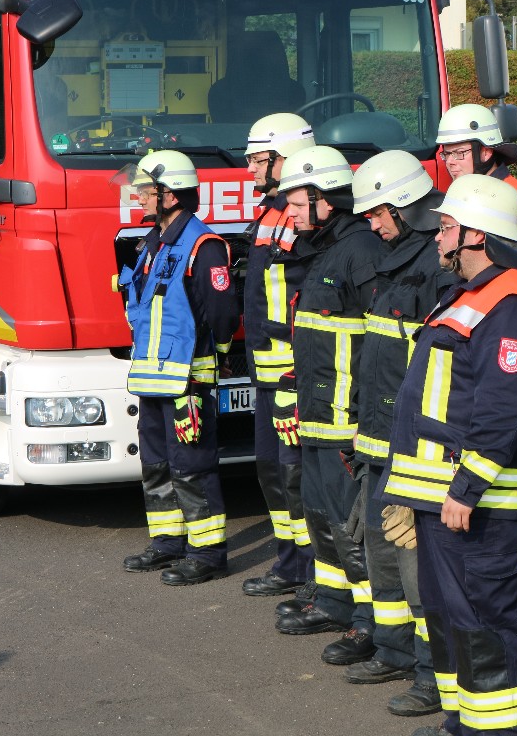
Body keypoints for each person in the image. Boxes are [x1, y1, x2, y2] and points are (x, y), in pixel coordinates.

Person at [380, 174, 517, 736]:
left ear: (476, 235)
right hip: (443, 494)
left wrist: (466, 487)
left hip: (478, 501)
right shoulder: (470, 293)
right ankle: (464, 725)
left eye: (446, 227)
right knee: (450, 617)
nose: (438, 238)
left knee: (483, 620)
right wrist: (411, 491)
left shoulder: (513, 301)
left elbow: (503, 405)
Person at [346, 150, 453, 716]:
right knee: (381, 550)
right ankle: (394, 650)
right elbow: (378, 356)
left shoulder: (437, 266)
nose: (372, 223)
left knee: (417, 567)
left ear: (407, 206)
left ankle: (435, 674)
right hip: (378, 436)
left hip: (413, 443)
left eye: (378, 212)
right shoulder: (395, 259)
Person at [274, 145, 388, 669]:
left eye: (298, 204)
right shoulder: (324, 250)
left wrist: (366, 415)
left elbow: (381, 342)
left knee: (350, 524)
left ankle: (370, 621)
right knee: (320, 514)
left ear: (327, 200)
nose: (290, 214)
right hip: (319, 414)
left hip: (347, 420)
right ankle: (334, 601)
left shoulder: (361, 251)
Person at [116, 150, 239, 586]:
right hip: (151, 376)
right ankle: (167, 542)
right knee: (156, 463)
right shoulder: (153, 243)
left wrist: (218, 353)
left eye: (146, 190)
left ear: (170, 195)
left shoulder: (203, 246)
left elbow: (222, 312)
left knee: (192, 464)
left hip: (189, 377)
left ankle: (207, 553)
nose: (139, 196)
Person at [238, 113, 317, 598]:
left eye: (257, 159)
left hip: (291, 372)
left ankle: (315, 572)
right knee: (272, 470)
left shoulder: (302, 217)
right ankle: (290, 564)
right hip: (266, 372)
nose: (249, 168)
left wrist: (294, 371)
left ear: (287, 157)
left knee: (297, 474)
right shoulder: (272, 211)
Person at [435, 103, 517, 297]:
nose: (450, 162)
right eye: (447, 153)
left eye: (459, 153)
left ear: (486, 152)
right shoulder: (473, 196)